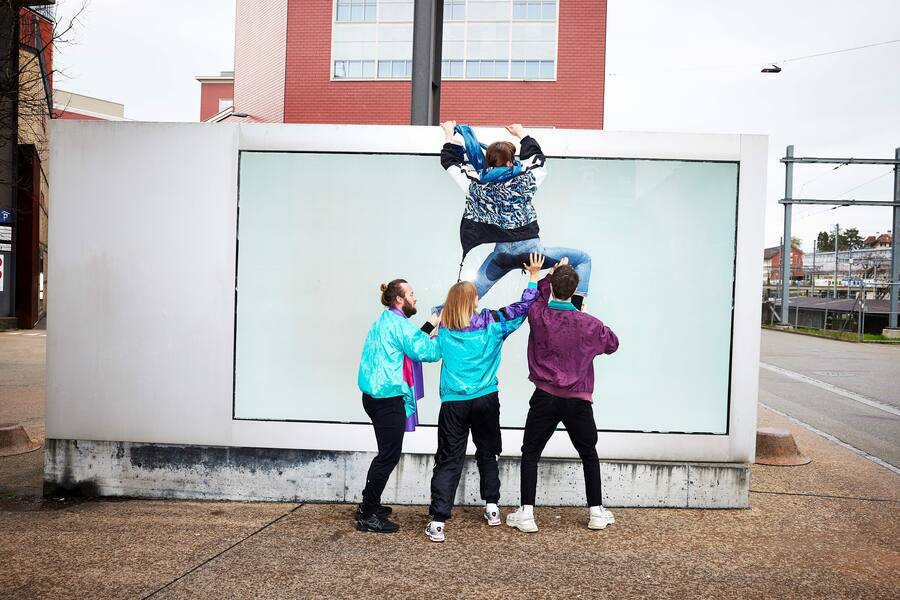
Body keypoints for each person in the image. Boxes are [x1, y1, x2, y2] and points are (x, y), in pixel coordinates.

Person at [425, 253, 546, 543]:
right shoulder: (492, 322)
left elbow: (420, 347)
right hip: (486, 399)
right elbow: (521, 309)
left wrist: (432, 323)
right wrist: (533, 277)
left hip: (454, 403)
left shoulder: (443, 332)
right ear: (472, 301)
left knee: (449, 459)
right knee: (488, 452)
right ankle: (492, 507)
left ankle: (439, 521)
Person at [506, 258, 619, 533]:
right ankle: (595, 512)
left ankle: (528, 514)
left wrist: (544, 275)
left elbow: (536, 297)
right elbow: (612, 343)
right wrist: (586, 315)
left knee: (531, 452)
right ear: (576, 290)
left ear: (553, 287)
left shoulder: (538, 314)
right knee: (588, 453)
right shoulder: (589, 324)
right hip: (578, 400)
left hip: (544, 396)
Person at [439, 121, 592, 309]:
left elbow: (450, 162)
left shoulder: (475, 183)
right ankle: (576, 310)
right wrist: (521, 134)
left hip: (502, 255)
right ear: (511, 162)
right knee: (583, 259)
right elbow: (536, 159)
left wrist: (449, 134)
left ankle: (436, 319)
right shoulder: (525, 179)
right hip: (532, 253)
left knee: (470, 293)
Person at [356, 278, 441, 533]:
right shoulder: (399, 325)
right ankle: (368, 513)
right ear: (400, 300)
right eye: (412, 294)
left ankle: (369, 504)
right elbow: (424, 351)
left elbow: (411, 338)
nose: (416, 298)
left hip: (373, 398)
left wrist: (431, 325)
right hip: (387, 400)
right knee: (388, 457)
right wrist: (445, 337)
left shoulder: (386, 320)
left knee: (385, 454)